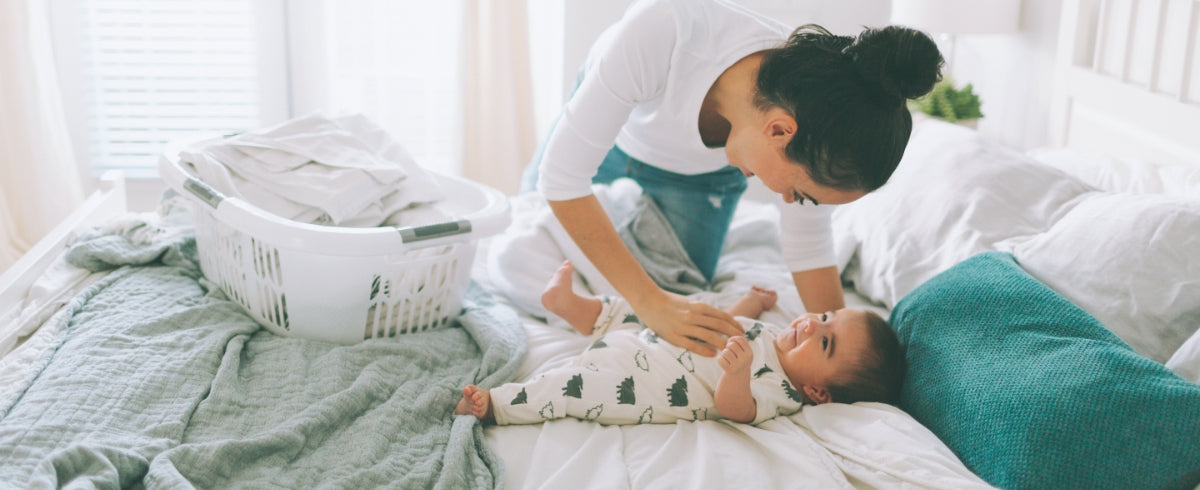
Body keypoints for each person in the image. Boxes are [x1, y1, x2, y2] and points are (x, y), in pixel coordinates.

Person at [520, 0, 943, 358]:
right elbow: (561, 179)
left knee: (680, 288)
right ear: (779, 130)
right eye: (800, 194)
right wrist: (649, 302)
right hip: (615, 135)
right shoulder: (665, 30)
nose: (789, 202)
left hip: (699, 182)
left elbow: (810, 244)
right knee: (527, 234)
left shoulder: (816, 124)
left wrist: (844, 351)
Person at [455, 261, 904, 425]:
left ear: (818, 392)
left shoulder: (781, 393)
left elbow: (736, 410)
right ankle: (572, 306)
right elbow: (731, 324)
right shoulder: (775, 335)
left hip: (641, 378)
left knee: (572, 387)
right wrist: (751, 304)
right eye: (823, 318)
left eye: (824, 344)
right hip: (659, 333)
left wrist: (737, 374)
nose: (809, 327)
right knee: (630, 309)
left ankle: (497, 404)